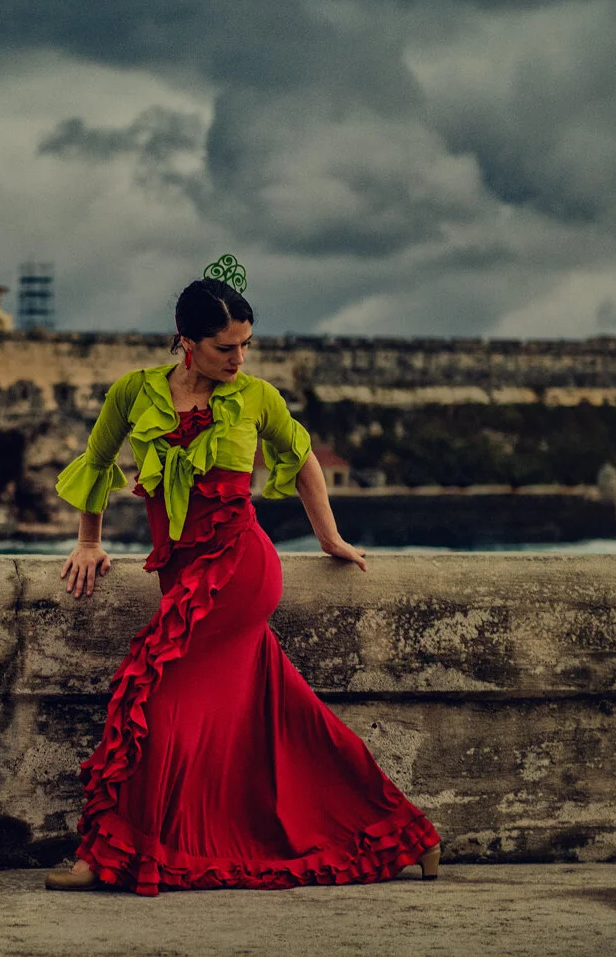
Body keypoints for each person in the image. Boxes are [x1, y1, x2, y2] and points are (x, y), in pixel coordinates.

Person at [44, 259, 442, 895]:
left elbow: (303, 460)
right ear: (186, 341)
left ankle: (108, 856)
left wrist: (329, 537)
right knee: (286, 716)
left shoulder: (257, 397)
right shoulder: (132, 392)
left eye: (245, 346)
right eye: (225, 348)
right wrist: (89, 542)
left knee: (153, 699)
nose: (238, 359)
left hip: (238, 568)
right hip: (180, 572)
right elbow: (95, 466)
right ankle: (406, 834)